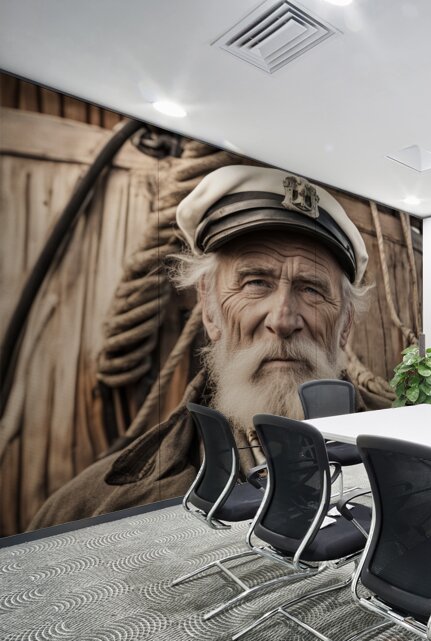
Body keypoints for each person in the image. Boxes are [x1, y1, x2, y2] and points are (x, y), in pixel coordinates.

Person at [28, 166, 372, 530]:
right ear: (208, 307)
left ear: (346, 323)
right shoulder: (85, 509)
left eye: (312, 289)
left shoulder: (419, 471)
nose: (283, 319)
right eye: (256, 282)